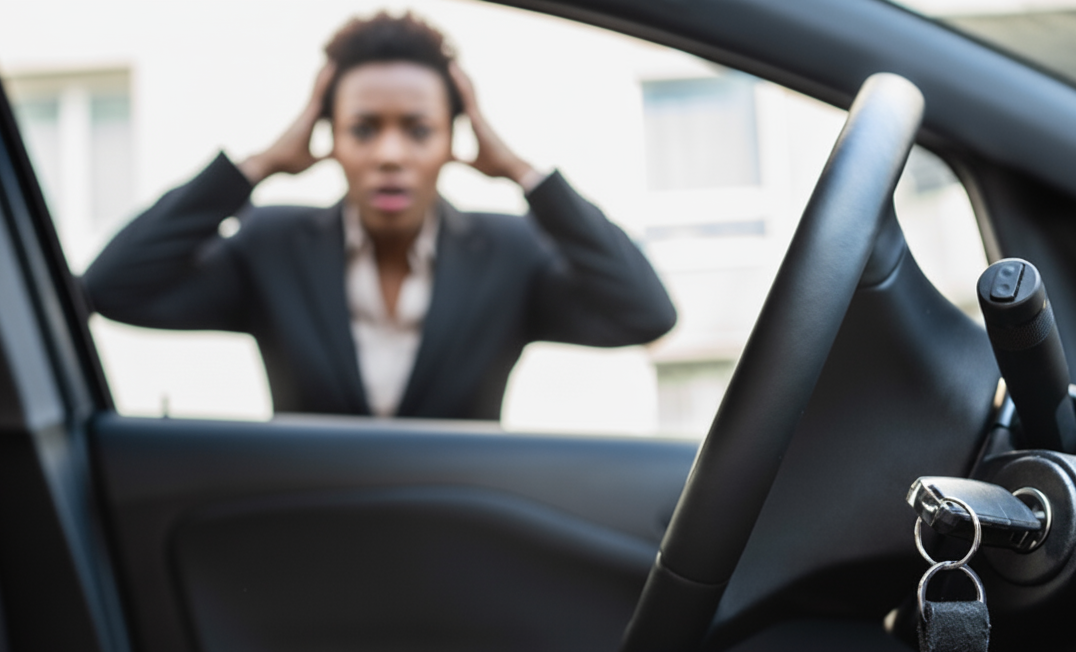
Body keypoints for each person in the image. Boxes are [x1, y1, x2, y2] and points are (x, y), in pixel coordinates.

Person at [82, 11, 676, 420]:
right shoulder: (273, 242)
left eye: (418, 130)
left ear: (452, 141)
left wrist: (525, 174)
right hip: (312, 548)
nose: (390, 155)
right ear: (329, 138)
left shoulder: (509, 252)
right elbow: (112, 288)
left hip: (462, 548)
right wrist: (257, 165)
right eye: (363, 129)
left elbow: (646, 313)